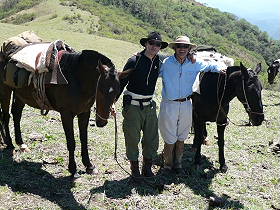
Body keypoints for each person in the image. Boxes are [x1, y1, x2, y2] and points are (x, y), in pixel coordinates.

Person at [159, 35, 225, 174]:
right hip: (169, 104)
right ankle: (167, 165)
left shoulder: (195, 63)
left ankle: (178, 164)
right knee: (169, 137)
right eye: (179, 46)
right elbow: (152, 66)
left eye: (185, 46)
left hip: (186, 104)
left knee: (182, 136)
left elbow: (212, 65)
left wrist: (221, 68)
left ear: (189, 49)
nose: (182, 49)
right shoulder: (166, 63)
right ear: (174, 48)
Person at [117, 32, 168, 177]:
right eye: (151, 43)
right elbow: (122, 82)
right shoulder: (134, 60)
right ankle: (134, 170)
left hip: (149, 105)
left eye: (157, 44)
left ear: (160, 48)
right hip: (132, 105)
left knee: (151, 138)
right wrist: (112, 103)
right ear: (146, 44)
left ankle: (147, 168)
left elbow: (175, 60)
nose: (154, 46)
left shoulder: (159, 62)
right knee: (132, 138)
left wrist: (191, 56)